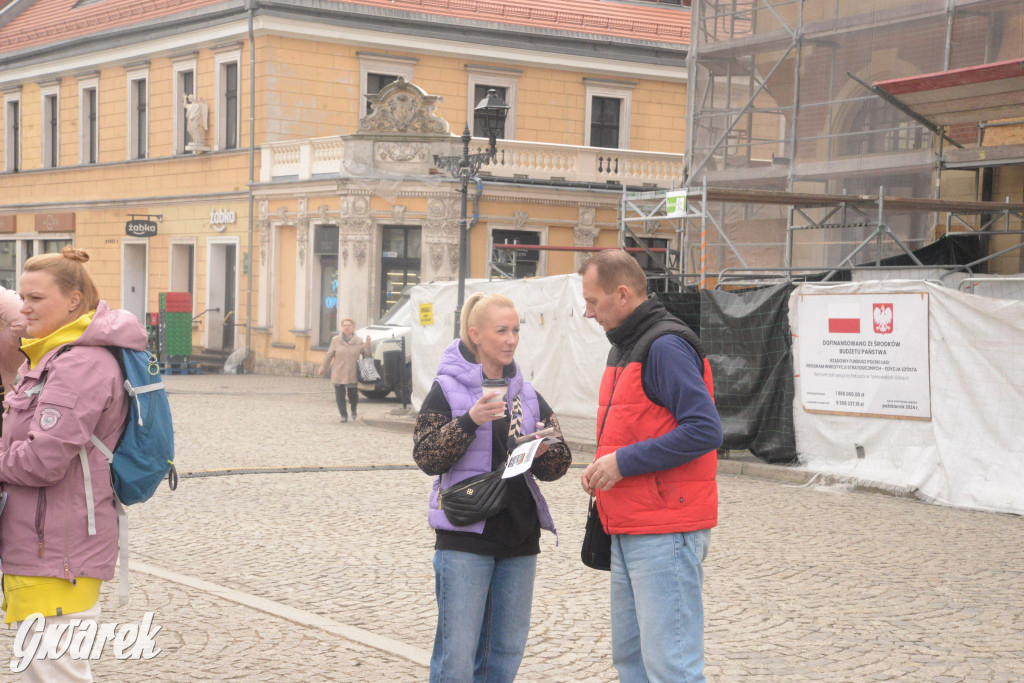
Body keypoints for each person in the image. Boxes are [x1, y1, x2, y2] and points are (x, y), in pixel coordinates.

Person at [0, 246, 149, 681]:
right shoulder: (52, 356)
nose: (24, 309)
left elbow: (42, 461)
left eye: (36, 299)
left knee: (54, 674)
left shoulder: (78, 364)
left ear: (74, 301)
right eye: (22, 297)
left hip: (57, 551)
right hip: (41, 546)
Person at [579, 249, 723, 683]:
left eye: (593, 302)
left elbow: (704, 429)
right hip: (631, 526)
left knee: (670, 668)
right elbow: (637, 426)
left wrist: (622, 462)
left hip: (664, 531)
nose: (588, 313)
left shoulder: (665, 346)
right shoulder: (625, 348)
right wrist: (605, 465)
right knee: (633, 662)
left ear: (622, 294)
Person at [413, 292, 571, 683]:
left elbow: (558, 466)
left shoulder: (528, 393)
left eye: (515, 330)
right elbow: (426, 456)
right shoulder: (447, 390)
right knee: (457, 656)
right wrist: (469, 420)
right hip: (466, 538)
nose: (511, 339)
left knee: (505, 653)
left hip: (519, 537)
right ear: (475, 335)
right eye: (501, 330)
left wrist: (546, 446)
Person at [320, 318, 371, 422]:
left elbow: (366, 353)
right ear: (342, 327)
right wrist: (323, 367)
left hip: (352, 371)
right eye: (345, 325)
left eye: (349, 325)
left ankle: (353, 409)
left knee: (352, 394)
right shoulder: (336, 340)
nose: (347, 327)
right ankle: (343, 415)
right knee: (339, 395)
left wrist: (368, 343)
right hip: (338, 371)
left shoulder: (358, 340)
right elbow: (329, 355)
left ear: (353, 327)